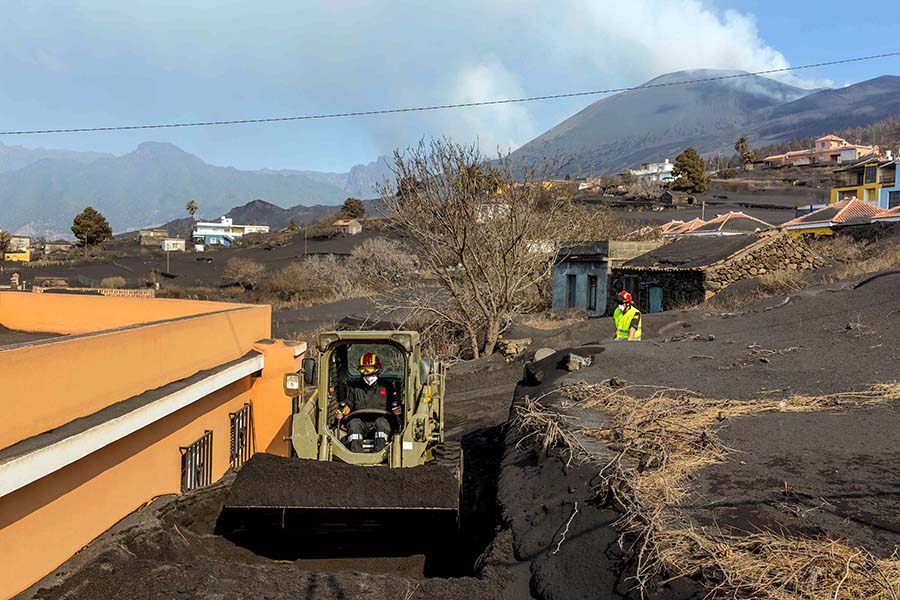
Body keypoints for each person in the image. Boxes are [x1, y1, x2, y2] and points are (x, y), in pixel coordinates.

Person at [335, 352, 402, 452]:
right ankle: (355, 456)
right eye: (363, 369)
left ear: (377, 369)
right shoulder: (354, 387)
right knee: (354, 424)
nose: (366, 372)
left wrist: (398, 410)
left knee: (382, 423)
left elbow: (395, 406)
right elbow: (348, 405)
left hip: (381, 420)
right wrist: (342, 413)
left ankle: (380, 454)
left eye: (369, 368)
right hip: (360, 422)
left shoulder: (387, 387)